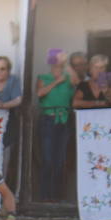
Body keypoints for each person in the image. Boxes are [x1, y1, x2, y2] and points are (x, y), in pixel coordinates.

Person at [35, 50, 76, 203]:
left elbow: (76, 81)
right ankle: (45, 196)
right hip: (48, 119)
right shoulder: (43, 78)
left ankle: (58, 196)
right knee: (47, 159)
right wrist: (56, 82)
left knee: (61, 160)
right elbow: (39, 93)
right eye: (60, 57)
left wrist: (67, 65)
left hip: (64, 120)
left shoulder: (68, 77)